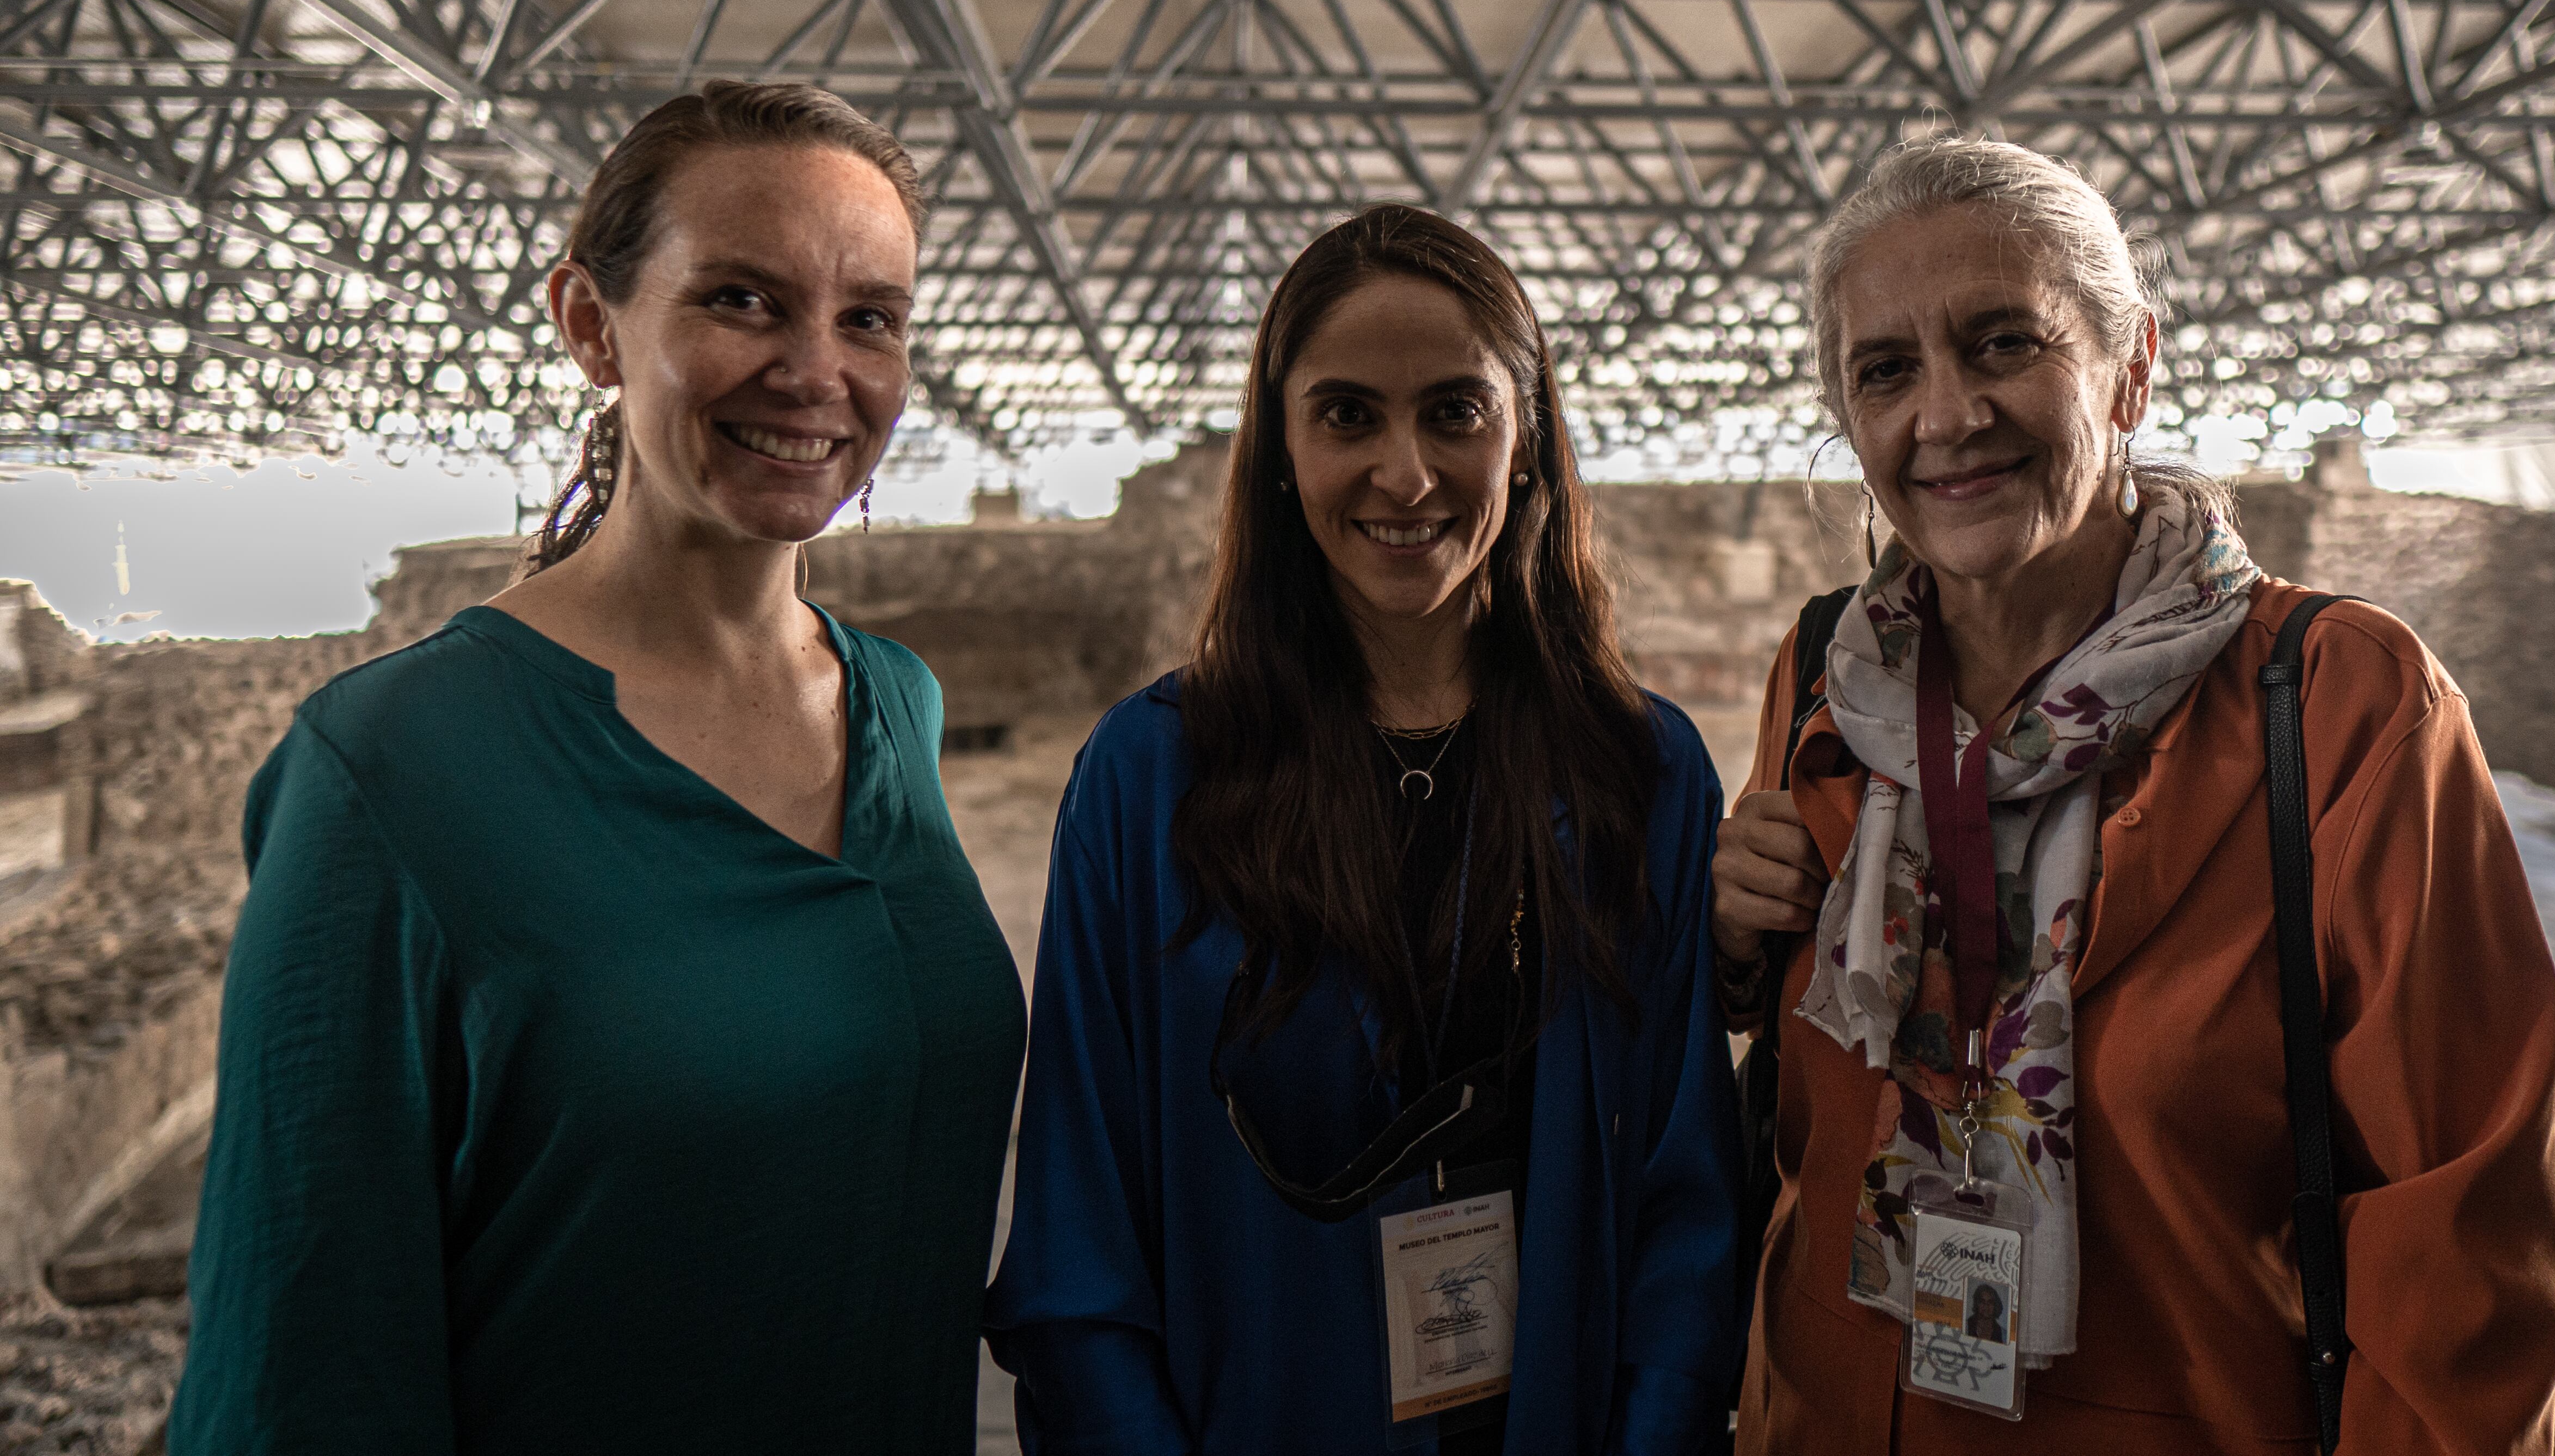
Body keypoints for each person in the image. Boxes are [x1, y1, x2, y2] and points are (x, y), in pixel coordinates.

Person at [171, 82, 1027, 1455]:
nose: (817, 369)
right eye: (743, 299)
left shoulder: (898, 708)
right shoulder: (390, 767)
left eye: (869, 316)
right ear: (591, 325)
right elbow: (301, 1368)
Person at [1711, 137, 2555, 1453]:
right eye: (1886, 370)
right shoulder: (1832, 681)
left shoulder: (2339, 705)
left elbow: (2458, 1246)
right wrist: (1729, 949)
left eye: (2004, 344)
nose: (1945, 416)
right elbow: (1803, 1116)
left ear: (2132, 367)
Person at [985, 204, 1742, 1454]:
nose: (1405, 473)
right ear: (1282, 450)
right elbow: (1082, 1222)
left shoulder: (1637, 769)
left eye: (1455, 410)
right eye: (1348, 414)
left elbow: (1684, 1203)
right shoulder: (1153, 772)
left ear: (1527, 439)